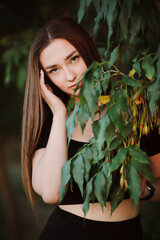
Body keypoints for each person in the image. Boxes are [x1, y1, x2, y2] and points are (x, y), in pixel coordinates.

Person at [21, 17, 160, 240]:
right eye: (54, 70)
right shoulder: (50, 126)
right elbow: (50, 193)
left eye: (73, 58)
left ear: (88, 51)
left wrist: (145, 191)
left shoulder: (135, 108)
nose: (70, 76)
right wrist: (59, 114)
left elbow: (156, 176)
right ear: (44, 79)